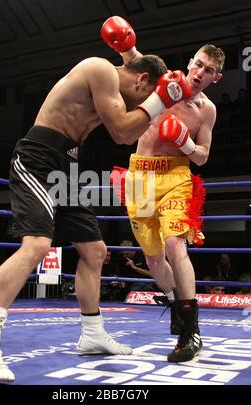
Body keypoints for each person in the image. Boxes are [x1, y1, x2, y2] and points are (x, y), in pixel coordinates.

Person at [0, 17, 192, 382]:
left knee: (95, 250)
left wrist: (154, 90)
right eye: (145, 95)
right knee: (36, 243)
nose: (143, 105)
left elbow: (131, 120)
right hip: (39, 154)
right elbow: (121, 132)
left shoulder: (122, 88)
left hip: (67, 164)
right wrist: (161, 100)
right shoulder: (99, 69)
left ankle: (92, 332)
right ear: (141, 81)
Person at [108, 35, 225, 362]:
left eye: (209, 70)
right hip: (140, 177)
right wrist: (122, 42)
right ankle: (176, 302)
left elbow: (202, 156)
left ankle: (191, 332)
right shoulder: (165, 83)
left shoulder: (207, 111)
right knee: (155, 260)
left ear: (216, 78)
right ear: (190, 62)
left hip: (177, 177)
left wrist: (185, 141)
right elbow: (134, 59)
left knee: (176, 244)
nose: (201, 72)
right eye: (199, 64)